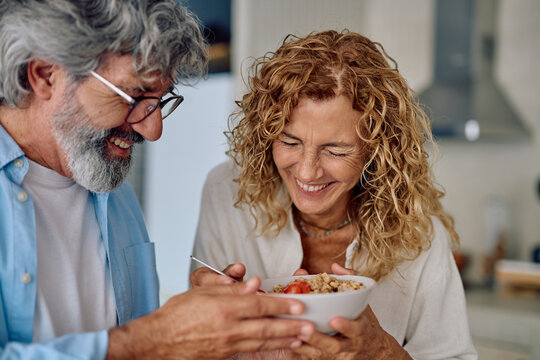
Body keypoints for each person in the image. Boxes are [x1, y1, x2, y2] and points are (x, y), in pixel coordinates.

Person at [0, 1, 316, 359]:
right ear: (45, 75)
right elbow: (147, 342)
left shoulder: (111, 188)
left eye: (160, 100)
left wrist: (196, 327)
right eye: (134, 96)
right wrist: (154, 340)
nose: (153, 130)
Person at [191, 30, 478, 359]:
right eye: (290, 142)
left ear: (377, 149)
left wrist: (381, 352)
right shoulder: (226, 193)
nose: (307, 172)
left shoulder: (420, 236)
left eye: (336, 151)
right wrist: (204, 316)